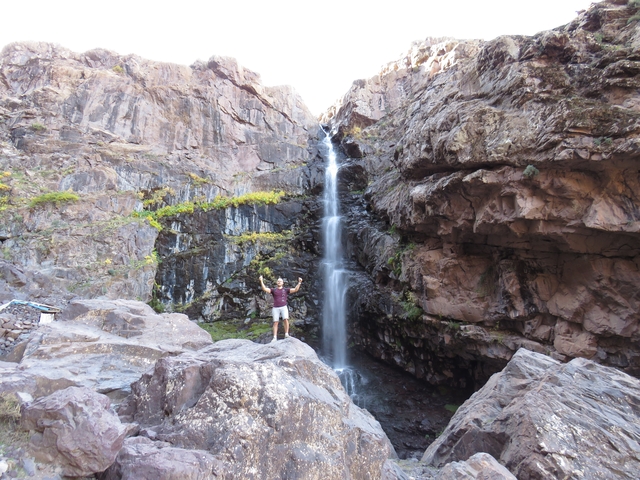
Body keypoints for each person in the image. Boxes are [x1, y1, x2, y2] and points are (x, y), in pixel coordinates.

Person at [259, 275, 302, 342]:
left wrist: (299, 282)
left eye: (280, 281)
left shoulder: (286, 290)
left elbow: (295, 289)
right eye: (278, 281)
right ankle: (274, 337)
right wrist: (261, 281)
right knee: (275, 322)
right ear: (277, 282)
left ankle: (286, 334)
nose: (279, 282)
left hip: (283, 307)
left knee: (286, 319)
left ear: (283, 283)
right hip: (275, 308)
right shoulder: (274, 290)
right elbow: (264, 289)